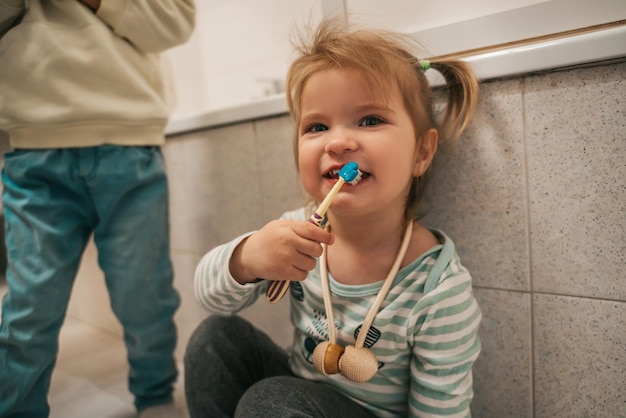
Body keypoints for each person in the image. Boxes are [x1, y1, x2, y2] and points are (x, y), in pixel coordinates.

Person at [185, 17, 482, 418]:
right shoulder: (295, 233)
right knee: (213, 340)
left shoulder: (437, 288)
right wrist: (248, 258)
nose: (338, 141)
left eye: (370, 119)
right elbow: (207, 296)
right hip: (295, 400)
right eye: (317, 126)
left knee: (271, 404)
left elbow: (441, 412)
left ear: (421, 154)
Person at [0, 0, 195, 416]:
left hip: (128, 144)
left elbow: (177, 22)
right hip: (36, 145)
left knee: (144, 297)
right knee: (31, 309)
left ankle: (156, 397)